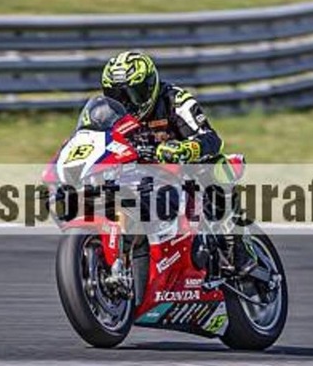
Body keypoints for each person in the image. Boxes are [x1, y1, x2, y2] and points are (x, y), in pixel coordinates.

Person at [100, 50, 256, 275]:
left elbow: (211, 139)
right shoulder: (110, 115)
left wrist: (184, 149)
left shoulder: (175, 100)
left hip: (183, 170)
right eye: (116, 96)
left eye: (133, 94)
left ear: (150, 86)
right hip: (141, 175)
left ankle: (236, 243)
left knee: (215, 167)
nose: (126, 103)